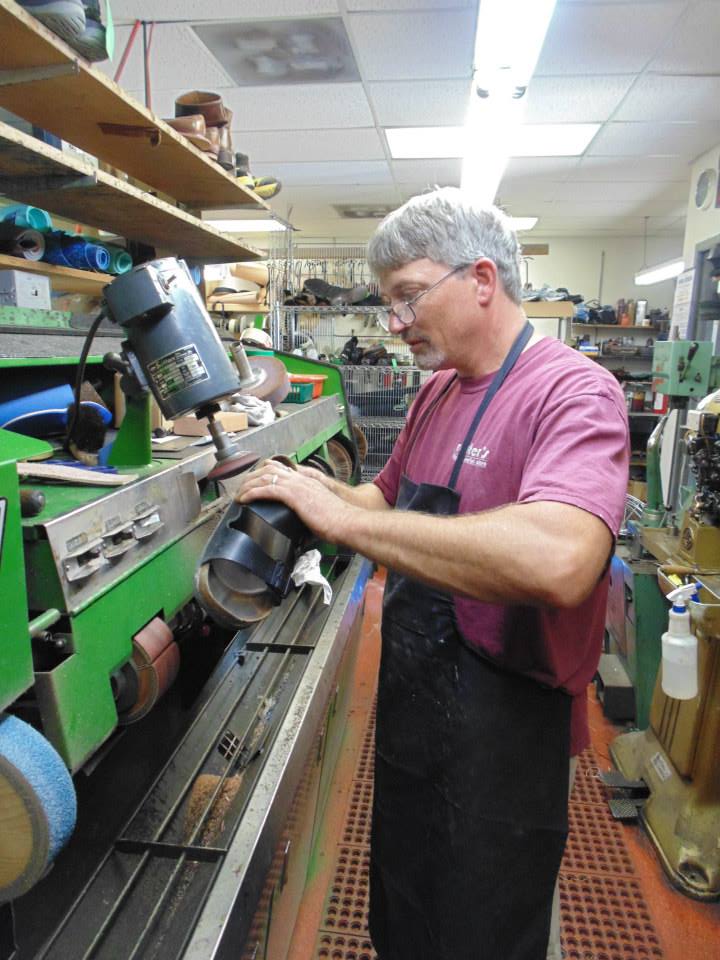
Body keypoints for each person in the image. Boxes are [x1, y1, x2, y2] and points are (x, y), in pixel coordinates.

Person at [238, 187, 629, 960]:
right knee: (408, 909)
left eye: (409, 296)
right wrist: (306, 490)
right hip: (415, 714)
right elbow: (383, 501)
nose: (394, 322)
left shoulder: (573, 391)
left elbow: (561, 560)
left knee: (483, 930)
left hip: (506, 738)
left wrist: (350, 524)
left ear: (481, 279)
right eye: (389, 301)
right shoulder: (438, 391)